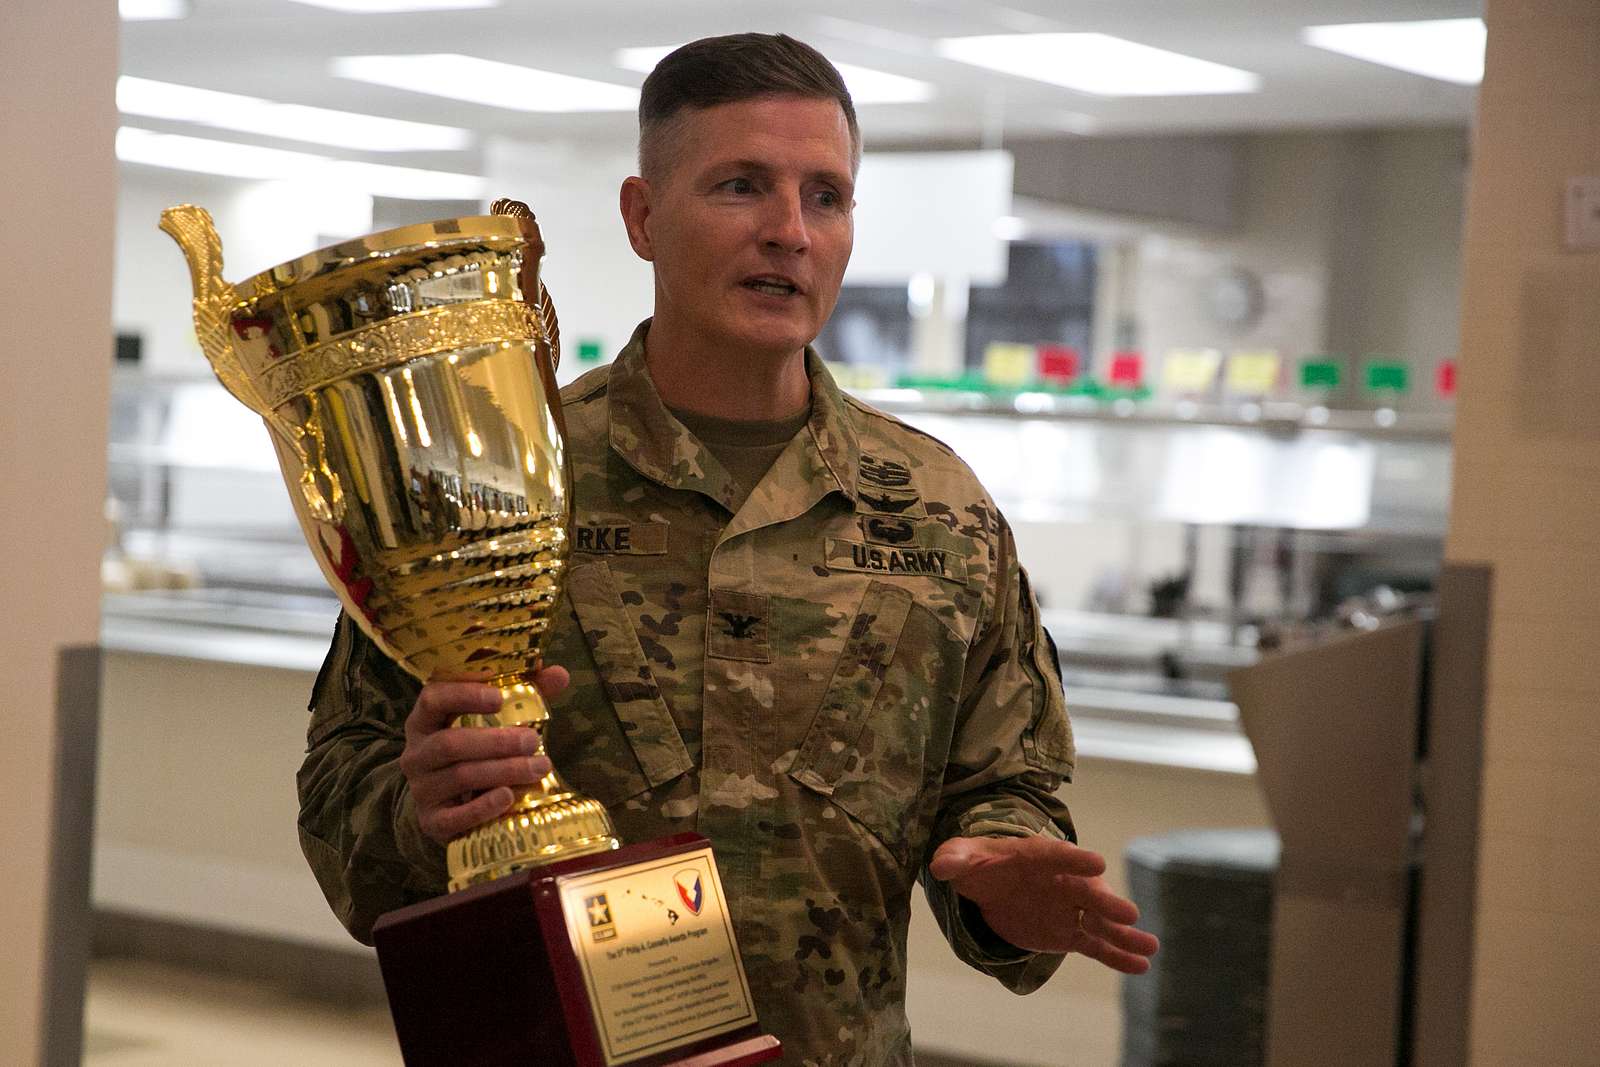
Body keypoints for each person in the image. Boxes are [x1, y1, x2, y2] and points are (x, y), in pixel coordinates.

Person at [297, 32, 1157, 1065]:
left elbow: (1004, 785)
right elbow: (343, 795)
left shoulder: (937, 512)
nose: (788, 232)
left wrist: (1008, 873)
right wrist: (417, 808)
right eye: (741, 186)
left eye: (826, 196)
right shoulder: (494, 483)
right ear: (642, 217)